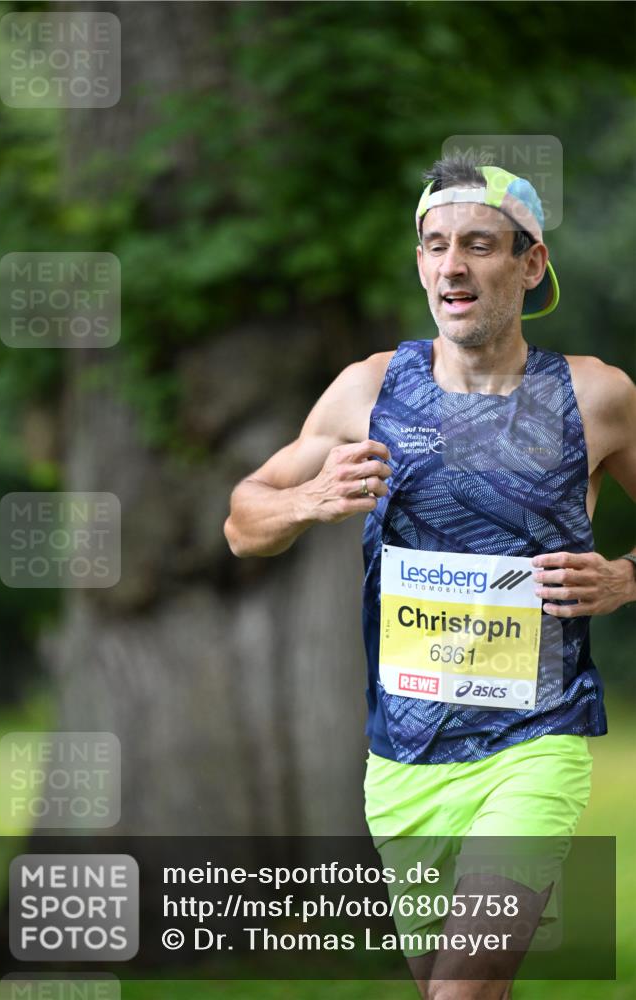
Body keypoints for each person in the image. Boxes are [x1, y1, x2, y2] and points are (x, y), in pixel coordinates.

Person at [224, 155, 636, 999]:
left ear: (530, 263)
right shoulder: (367, 390)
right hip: (401, 761)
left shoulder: (595, 396)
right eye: (434, 244)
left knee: (461, 991)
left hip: (533, 745)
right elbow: (241, 521)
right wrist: (308, 500)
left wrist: (623, 579)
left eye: (478, 244)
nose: (451, 265)